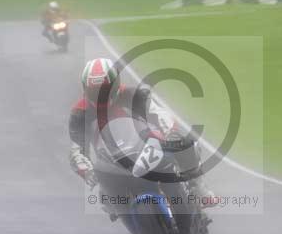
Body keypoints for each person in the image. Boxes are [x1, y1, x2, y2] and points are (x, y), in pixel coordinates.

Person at [68, 58, 216, 219]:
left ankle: (198, 186)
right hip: (111, 162)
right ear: (85, 89)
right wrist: (87, 170)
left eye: (104, 90)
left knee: (186, 142)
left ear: (116, 84)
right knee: (107, 201)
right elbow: (77, 148)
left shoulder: (134, 95)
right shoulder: (80, 113)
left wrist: (171, 134)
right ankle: (132, 223)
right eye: (94, 92)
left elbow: (161, 117)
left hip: (145, 147)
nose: (100, 96)